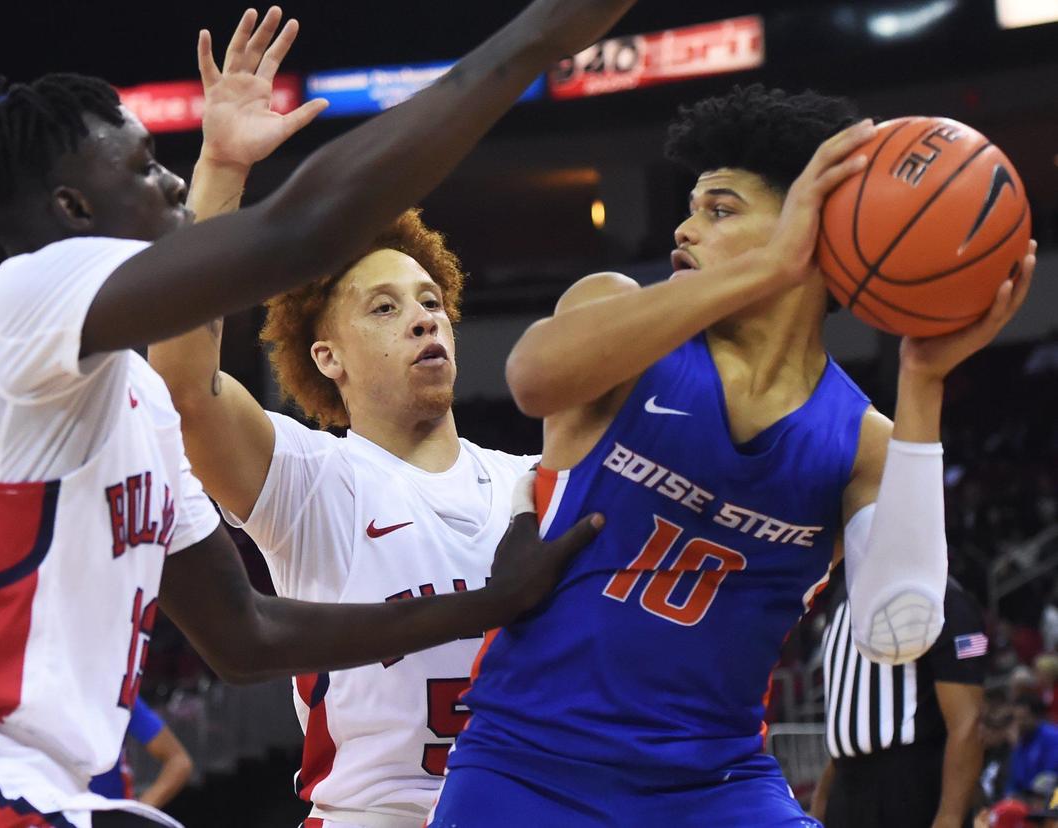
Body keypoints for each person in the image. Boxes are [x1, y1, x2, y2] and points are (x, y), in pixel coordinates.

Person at [0, 2, 636, 826]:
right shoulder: (20, 306)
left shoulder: (138, 406)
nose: (173, 181)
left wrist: (485, 605)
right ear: (76, 210)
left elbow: (246, 635)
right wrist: (536, 37)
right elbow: (300, 234)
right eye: (146, 165)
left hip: (52, 791)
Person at [429, 85, 1036, 827]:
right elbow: (531, 378)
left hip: (714, 785)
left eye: (720, 210)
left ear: (813, 232)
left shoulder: (864, 440)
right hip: (530, 763)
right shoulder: (620, 315)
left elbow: (896, 628)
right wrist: (768, 266)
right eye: (692, 207)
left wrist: (922, 383)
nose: (685, 228)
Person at [149, 205, 537, 827]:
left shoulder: (537, 481)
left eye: (431, 302)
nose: (421, 320)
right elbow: (183, 391)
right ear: (329, 358)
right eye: (385, 308)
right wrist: (220, 166)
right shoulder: (314, 479)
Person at [810, 574, 988, 828]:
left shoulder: (945, 597)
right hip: (845, 785)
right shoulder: (842, 596)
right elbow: (853, 723)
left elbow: (969, 724)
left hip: (910, 785)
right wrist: (822, 799)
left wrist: (950, 817)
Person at [90, 698, 193, 809]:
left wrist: (140, 812)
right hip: (72, 808)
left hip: (110, 812)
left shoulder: (117, 694)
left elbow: (179, 760)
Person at [1008, 695, 1058, 800]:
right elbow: (1015, 780)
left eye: (1023, 719)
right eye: (1016, 719)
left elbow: (1050, 774)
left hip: (1048, 798)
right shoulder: (1020, 741)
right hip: (1026, 798)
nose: (1019, 724)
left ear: (1037, 717)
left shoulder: (1052, 737)